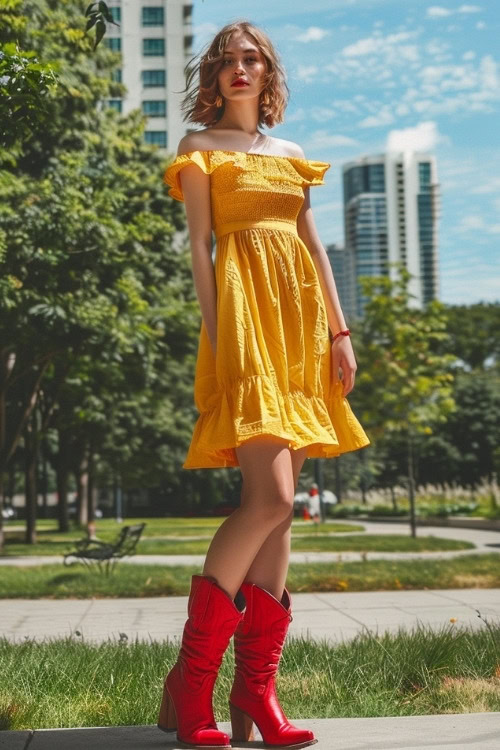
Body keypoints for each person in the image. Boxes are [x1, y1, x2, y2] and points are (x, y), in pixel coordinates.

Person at [160, 19, 370, 750]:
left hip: (304, 331)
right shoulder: (199, 150)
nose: (240, 70)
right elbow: (199, 248)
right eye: (227, 62)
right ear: (213, 79)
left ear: (267, 72)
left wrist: (340, 333)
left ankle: (257, 692)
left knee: (284, 515)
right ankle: (191, 683)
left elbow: (311, 245)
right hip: (246, 328)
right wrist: (219, 344)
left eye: (252, 60)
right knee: (271, 497)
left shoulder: (291, 154)